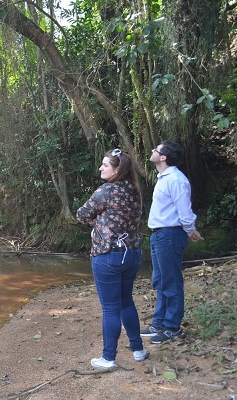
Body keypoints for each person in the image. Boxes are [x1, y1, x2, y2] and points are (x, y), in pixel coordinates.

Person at [76, 148, 147, 369]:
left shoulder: (105, 191)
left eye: (105, 165)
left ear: (117, 169)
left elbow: (81, 214)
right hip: (132, 253)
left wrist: (97, 223)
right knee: (126, 301)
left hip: (108, 254)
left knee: (110, 308)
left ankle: (108, 358)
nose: (100, 168)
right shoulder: (135, 190)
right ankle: (138, 349)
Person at [142, 141, 204, 344]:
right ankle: (158, 323)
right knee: (160, 281)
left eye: (156, 150)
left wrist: (190, 230)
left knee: (171, 282)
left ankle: (172, 327)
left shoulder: (176, 179)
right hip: (159, 235)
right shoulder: (163, 178)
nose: (152, 151)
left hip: (170, 234)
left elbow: (184, 211)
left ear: (163, 157)